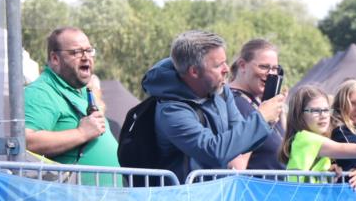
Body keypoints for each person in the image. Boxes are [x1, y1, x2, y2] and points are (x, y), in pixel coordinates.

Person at [141, 30, 286, 182]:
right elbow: (213, 152)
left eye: (225, 62)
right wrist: (261, 118)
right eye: (218, 65)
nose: (227, 69)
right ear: (194, 71)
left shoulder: (222, 92)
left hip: (215, 197)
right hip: (184, 200)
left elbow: (241, 141)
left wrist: (267, 121)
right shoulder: (171, 110)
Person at [24, 27, 120, 184]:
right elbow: (27, 141)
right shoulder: (41, 91)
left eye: (89, 51)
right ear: (55, 59)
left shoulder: (80, 90)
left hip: (103, 199)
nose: (86, 57)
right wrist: (81, 133)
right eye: (76, 52)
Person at [227, 39, 286, 171]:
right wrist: (261, 119)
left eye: (275, 68)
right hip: (253, 189)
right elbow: (236, 166)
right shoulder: (231, 102)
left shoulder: (258, 102)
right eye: (264, 67)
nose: (271, 74)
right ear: (242, 65)